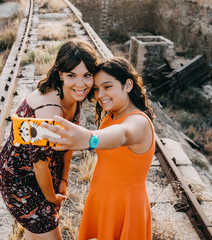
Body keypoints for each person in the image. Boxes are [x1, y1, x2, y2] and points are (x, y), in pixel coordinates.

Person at [0, 38, 99, 240]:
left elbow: (68, 144)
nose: (81, 84)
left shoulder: (72, 97)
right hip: (19, 178)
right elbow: (39, 163)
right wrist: (51, 197)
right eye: (72, 75)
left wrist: (63, 179)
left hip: (42, 172)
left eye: (87, 75)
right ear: (60, 74)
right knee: (47, 230)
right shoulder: (50, 111)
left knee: (36, 234)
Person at [42, 57, 155, 240]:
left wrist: (90, 139)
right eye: (96, 89)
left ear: (127, 85)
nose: (100, 94)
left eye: (107, 87)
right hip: (103, 199)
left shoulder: (139, 121)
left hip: (125, 206)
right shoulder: (114, 114)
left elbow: (123, 134)